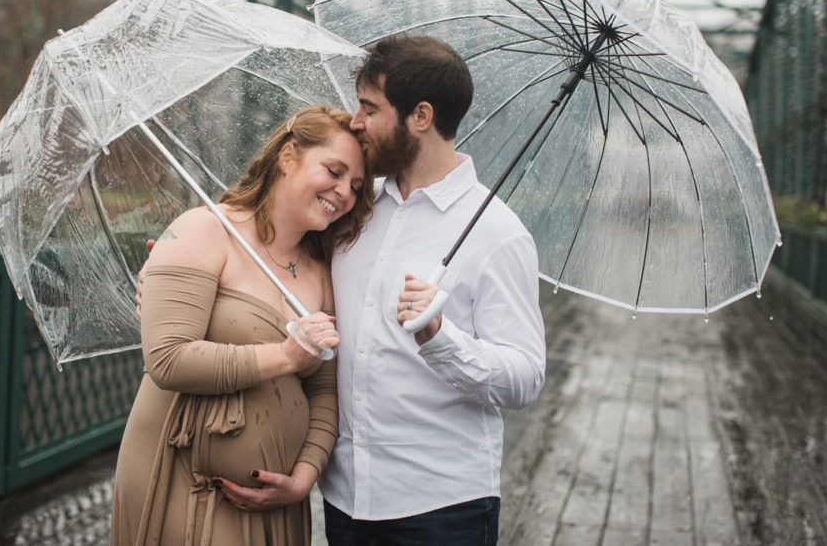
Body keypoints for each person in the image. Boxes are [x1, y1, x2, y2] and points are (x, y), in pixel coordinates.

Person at [229, 36, 546, 545]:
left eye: (369, 108)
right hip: (344, 498)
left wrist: (443, 339)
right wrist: (186, 271)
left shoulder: (497, 233)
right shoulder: (355, 206)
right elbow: (278, 263)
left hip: (442, 507)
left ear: (420, 116)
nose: (356, 121)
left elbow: (526, 379)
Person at [111, 105, 373, 546]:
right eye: (334, 170)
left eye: (356, 186)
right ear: (288, 157)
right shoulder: (204, 231)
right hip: (182, 479)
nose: (344, 192)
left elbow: (324, 391)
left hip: (276, 505)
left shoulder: (322, 273)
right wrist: (287, 355)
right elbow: (168, 359)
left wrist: (303, 476)